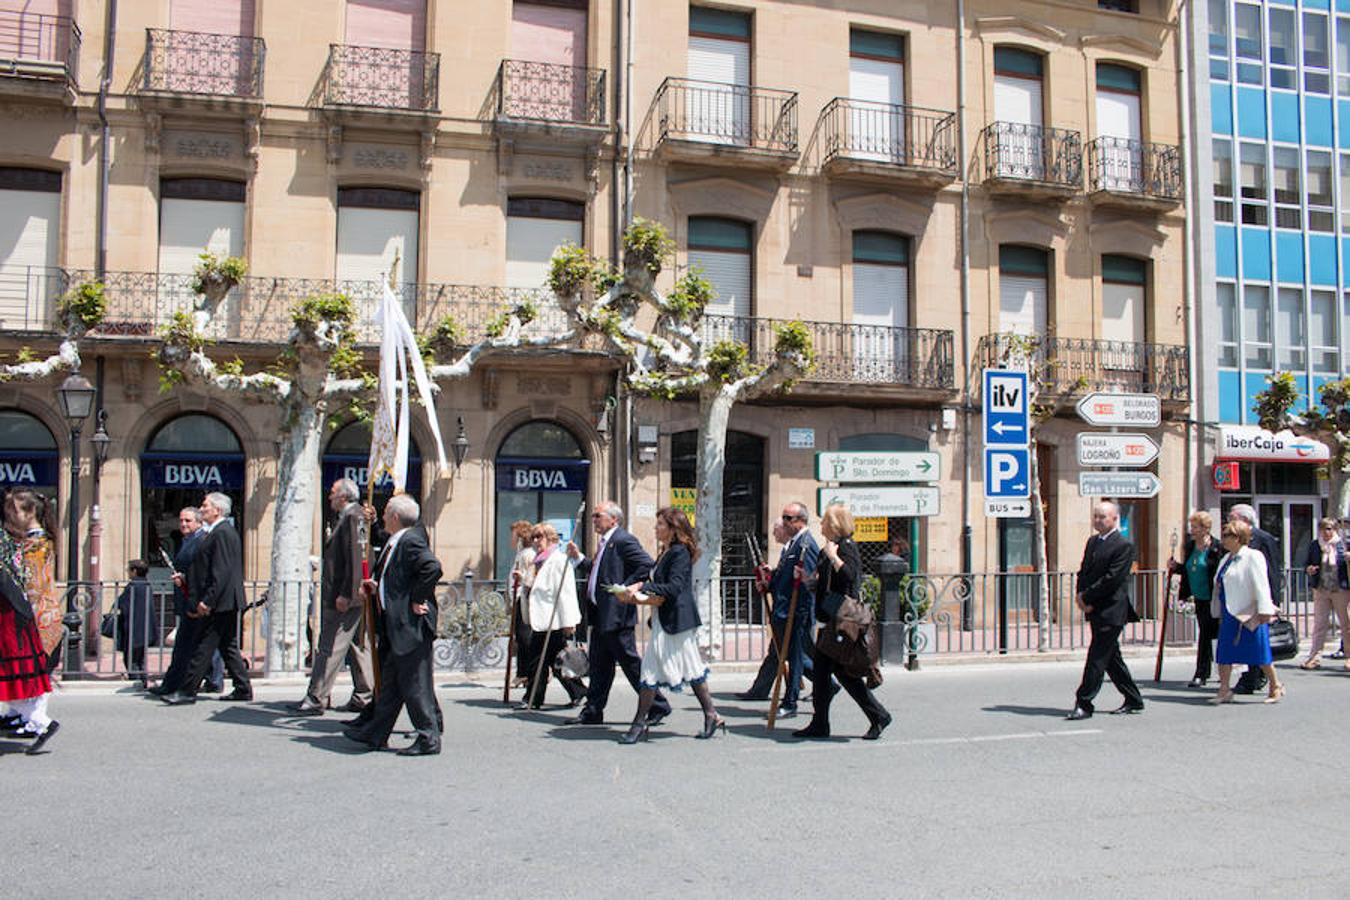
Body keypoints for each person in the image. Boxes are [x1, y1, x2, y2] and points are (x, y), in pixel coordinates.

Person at [343, 494, 443, 756]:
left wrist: (417, 599)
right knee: (392, 684)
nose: (383, 515)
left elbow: (432, 567)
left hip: (411, 625)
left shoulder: (410, 540)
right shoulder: (396, 540)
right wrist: (376, 589)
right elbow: (396, 577)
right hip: (395, 624)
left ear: (396, 517)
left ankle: (428, 737)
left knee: (414, 683)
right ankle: (376, 733)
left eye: (387, 511)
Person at [616, 507, 723, 744]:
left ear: (673, 529)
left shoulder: (679, 553)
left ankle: (640, 723)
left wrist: (643, 588)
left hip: (677, 621)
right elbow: (659, 581)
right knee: (668, 669)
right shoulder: (666, 552)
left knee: (666, 669)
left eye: (660, 524)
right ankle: (710, 714)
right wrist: (638, 585)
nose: (655, 528)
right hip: (665, 620)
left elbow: (674, 588)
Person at [564, 501, 671, 726]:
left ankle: (658, 705)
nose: (593, 520)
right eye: (593, 516)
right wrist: (581, 559)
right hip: (601, 613)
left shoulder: (623, 540)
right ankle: (593, 711)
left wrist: (625, 587)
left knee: (631, 663)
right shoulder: (606, 543)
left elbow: (646, 566)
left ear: (613, 519)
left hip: (617, 614)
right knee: (600, 665)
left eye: (598, 516)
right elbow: (601, 571)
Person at [793, 503, 891, 740]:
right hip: (831, 617)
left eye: (825, 521)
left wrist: (834, 557)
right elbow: (830, 583)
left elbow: (850, 579)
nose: (822, 525)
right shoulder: (832, 547)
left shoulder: (846, 547)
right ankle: (872, 716)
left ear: (835, 524)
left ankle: (827, 722)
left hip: (842, 621)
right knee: (835, 672)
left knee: (830, 671)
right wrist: (808, 579)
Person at [161, 492, 253, 705]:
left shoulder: (221, 533)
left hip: (220, 602)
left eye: (205, 506)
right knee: (227, 646)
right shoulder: (219, 532)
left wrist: (207, 600)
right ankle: (242, 687)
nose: (202, 509)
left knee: (203, 646)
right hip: (223, 600)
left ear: (217, 510)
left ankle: (187, 691)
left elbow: (221, 571)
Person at [294, 479, 375, 716]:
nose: (329, 497)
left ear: (343, 496)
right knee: (357, 646)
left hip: (346, 596)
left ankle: (317, 696)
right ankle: (364, 695)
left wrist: (346, 594)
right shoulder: (348, 517)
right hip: (346, 595)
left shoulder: (355, 516)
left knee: (330, 646)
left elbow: (358, 557)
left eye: (332, 493)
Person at [1066, 501, 1144, 721]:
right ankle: (1133, 698)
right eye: (1096, 516)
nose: (1098, 520)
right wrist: (1080, 595)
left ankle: (1084, 702)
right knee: (1111, 658)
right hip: (1094, 607)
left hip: (1111, 610)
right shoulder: (1093, 542)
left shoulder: (1123, 545)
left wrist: (1087, 597)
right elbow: (1084, 571)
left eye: (1103, 517)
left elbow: (1112, 579)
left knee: (1097, 658)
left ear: (1114, 519)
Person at [0, 489, 61, 753]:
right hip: (32, 615)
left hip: (34, 617)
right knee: (26, 674)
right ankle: (27, 718)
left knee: (30, 673)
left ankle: (37, 721)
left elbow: (32, 586)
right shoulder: (30, 540)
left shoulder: (36, 544)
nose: (8, 515)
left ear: (29, 513)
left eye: (13, 510)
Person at [149, 507, 224, 696]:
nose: (183, 524)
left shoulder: (201, 541)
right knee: (200, 643)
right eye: (181, 520)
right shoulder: (188, 540)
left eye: (188, 521)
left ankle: (180, 683)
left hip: (195, 600)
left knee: (193, 643)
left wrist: (185, 580)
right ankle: (209, 680)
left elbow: (201, 572)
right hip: (187, 598)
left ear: (199, 523)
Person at [1211, 520, 1285, 704]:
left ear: (1238, 538)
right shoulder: (1226, 558)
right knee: (1224, 652)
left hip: (1249, 612)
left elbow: (1261, 584)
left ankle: (1275, 685)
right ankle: (1224, 689)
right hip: (1230, 612)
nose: (1224, 539)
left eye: (1228, 535)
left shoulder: (1253, 556)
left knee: (1258, 651)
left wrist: (1265, 609)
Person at [518, 523, 583, 710]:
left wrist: (569, 622)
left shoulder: (558, 561)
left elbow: (566, 592)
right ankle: (575, 691)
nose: (536, 541)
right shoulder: (538, 561)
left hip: (553, 620)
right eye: (534, 537)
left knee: (547, 660)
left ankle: (533, 698)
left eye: (540, 536)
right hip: (541, 620)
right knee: (549, 661)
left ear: (551, 538)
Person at [1227, 504, 1282, 694]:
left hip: (1255, 603)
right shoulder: (1231, 545)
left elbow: (1272, 572)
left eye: (1233, 517)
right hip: (1239, 602)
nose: (1229, 521)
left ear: (1246, 520)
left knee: (1255, 642)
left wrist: (1273, 601)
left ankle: (1258, 679)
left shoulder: (1263, 539)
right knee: (1243, 642)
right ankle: (1250, 678)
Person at [737, 520, 791, 700]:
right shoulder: (786, 550)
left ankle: (828, 685)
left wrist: (772, 580)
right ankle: (759, 690)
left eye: (776, 531)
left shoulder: (795, 548)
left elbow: (789, 582)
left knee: (791, 654)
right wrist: (771, 573)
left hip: (789, 612)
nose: (774, 534)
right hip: (782, 611)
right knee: (776, 654)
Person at [1169, 511, 1222, 688]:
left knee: (1212, 635)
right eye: (1192, 526)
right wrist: (1176, 567)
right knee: (1207, 635)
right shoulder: (1191, 545)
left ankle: (1212, 671)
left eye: (1195, 527)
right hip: (1199, 598)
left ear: (1206, 528)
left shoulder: (1216, 547)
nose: (1192, 530)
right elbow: (1188, 569)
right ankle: (1206, 671)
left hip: (1213, 598)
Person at [1299, 517, 1350, 671]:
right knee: (1320, 624)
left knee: (1346, 623)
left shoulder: (1343, 545)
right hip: (1321, 588)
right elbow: (1307, 563)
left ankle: (1349, 656)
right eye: (1323, 529)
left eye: (1329, 529)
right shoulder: (1316, 545)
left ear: (1336, 530)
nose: (1326, 532)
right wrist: (1309, 569)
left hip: (1341, 588)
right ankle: (1314, 657)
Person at [114, 559, 158, 686]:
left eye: (129, 570)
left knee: (131, 659)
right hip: (145, 628)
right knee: (141, 659)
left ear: (135, 571)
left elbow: (123, 604)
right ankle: (143, 681)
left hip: (133, 628)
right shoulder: (147, 585)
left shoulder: (133, 586)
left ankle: (136, 682)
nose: (128, 572)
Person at [508, 519, 537, 690]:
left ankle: (525, 673)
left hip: (524, 600)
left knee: (524, 637)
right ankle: (524, 672)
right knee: (521, 637)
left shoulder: (527, 555)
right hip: (518, 599)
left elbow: (531, 579)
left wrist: (521, 579)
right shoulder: (521, 554)